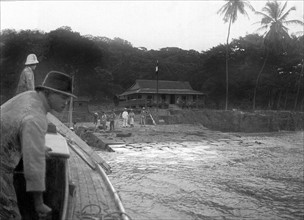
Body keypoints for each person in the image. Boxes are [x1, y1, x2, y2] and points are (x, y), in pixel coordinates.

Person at [1, 71, 76, 220]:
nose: (66, 102)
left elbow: (18, 126)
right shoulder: (35, 117)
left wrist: (38, 146)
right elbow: (33, 164)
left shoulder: (28, 97)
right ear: (47, 93)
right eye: (63, 97)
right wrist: (39, 203)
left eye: (68, 98)